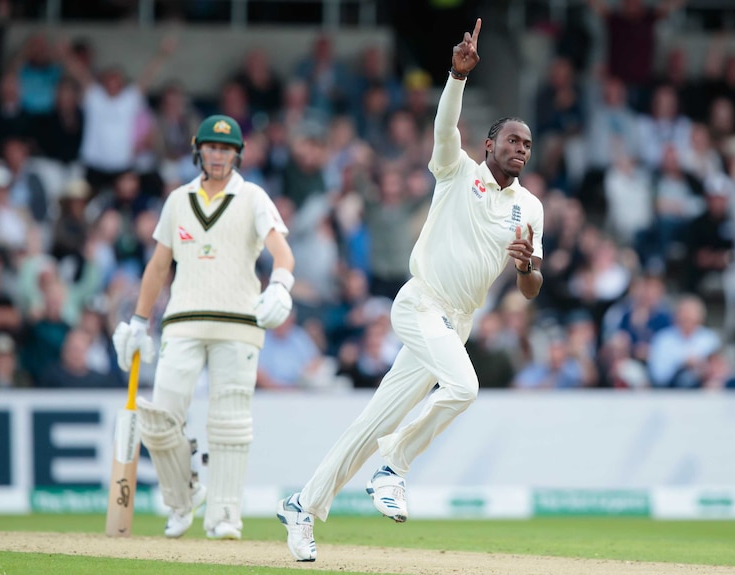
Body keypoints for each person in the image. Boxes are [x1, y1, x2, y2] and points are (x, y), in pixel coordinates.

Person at [277, 18, 544, 562]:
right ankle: (393, 467)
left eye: (528, 145)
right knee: (464, 389)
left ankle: (302, 506)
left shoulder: (529, 208)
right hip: (421, 303)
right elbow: (445, 130)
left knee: (371, 420)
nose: (522, 149)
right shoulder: (457, 171)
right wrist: (456, 78)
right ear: (490, 143)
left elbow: (533, 285)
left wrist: (524, 268)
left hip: (457, 322)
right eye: (513, 140)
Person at [111, 114, 295, 541]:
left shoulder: (252, 196)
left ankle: (225, 514)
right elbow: (159, 266)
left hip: (239, 322)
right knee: (159, 417)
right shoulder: (178, 200)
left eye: (227, 149)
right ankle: (181, 501)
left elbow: (281, 253)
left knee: (230, 422)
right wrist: (139, 321)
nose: (219, 155)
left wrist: (281, 286)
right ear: (199, 150)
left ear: (237, 154)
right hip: (182, 320)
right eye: (212, 147)